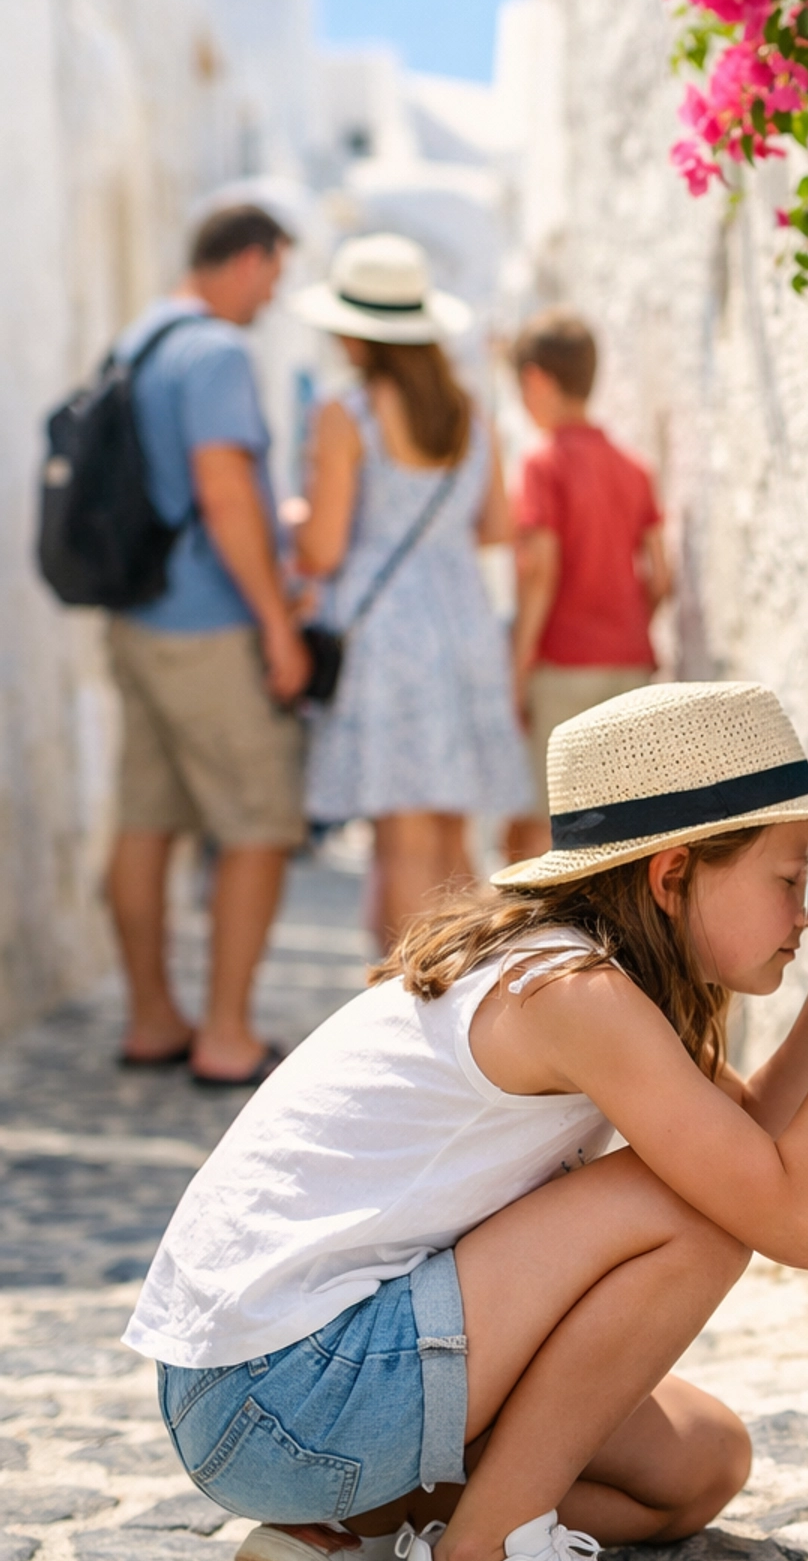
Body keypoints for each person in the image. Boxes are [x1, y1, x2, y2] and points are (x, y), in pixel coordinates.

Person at [125, 681, 808, 1561]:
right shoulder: (575, 994)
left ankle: (369, 1534)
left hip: (272, 1394)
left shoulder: (591, 976)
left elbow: (749, 1142)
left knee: (700, 1466)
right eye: (789, 879)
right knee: (693, 1210)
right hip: (280, 1393)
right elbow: (790, 1214)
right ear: (672, 876)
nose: (804, 910)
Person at [106, 201, 310, 1089]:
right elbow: (225, 490)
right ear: (249, 259)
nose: (272, 296)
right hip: (210, 625)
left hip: (138, 622)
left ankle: (153, 1017)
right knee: (259, 822)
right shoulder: (216, 353)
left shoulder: (140, 341)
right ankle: (226, 1036)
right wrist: (276, 621)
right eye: (274, 274)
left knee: (145, 821)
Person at [291, 235, 535, 948]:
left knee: (400, 835)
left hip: (386, 631)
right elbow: (496, 527)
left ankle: (409, 1004)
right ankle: (467, 1006)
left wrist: (297, 522)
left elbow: (324, 547)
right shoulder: (468, 411)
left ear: (359, 332)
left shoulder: (348, 412)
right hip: (462, 618)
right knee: (453, 835)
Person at [503, 310, 670, 864]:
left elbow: (541, 567)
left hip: (563, 666)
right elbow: (661, 575)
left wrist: (520, 663)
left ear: (536, 380)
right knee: (619, 833)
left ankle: (536, 949)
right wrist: (626, 627)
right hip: (630, 666)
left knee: (543, 831)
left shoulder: (541, 462)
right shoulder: (633, 467)